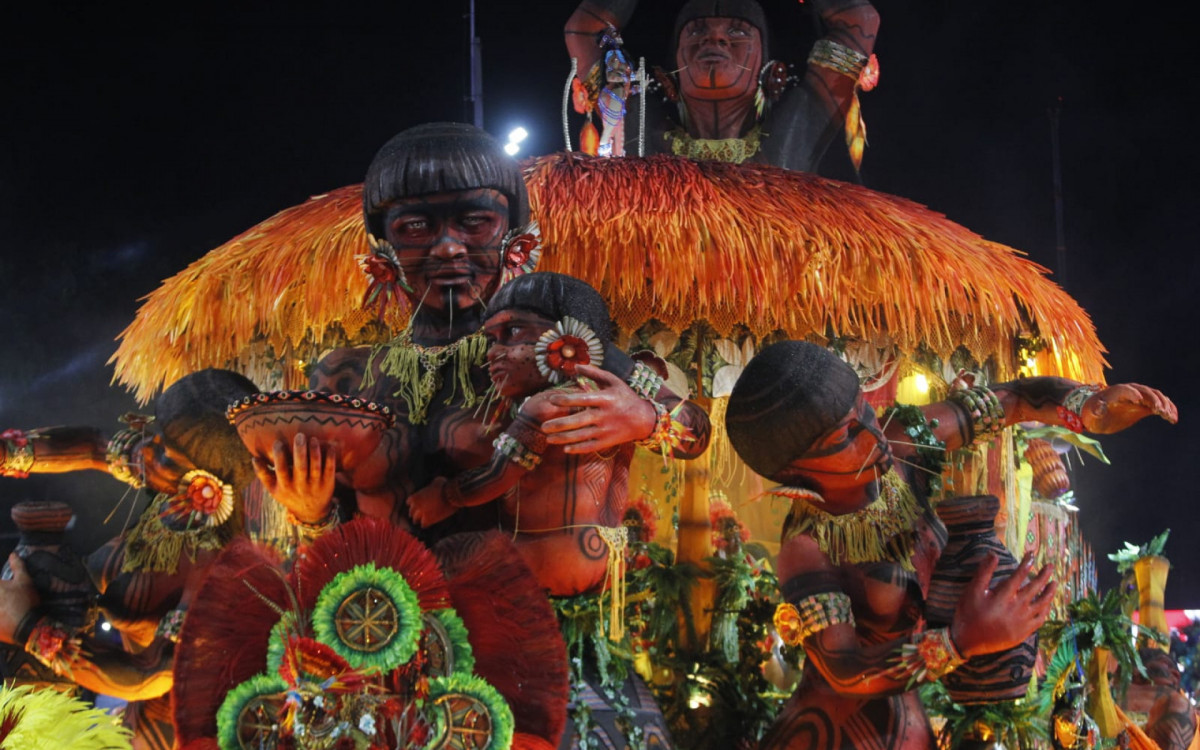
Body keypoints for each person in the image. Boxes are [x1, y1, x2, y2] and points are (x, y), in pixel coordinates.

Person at [259, 123, 711, 540]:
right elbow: (336, 534)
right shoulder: (346, 377)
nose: (449, 246)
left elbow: (695, 434)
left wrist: (646, 419)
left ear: (516, 240)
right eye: (415, 226)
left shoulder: (556, 353)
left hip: (527, 619)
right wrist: (311, 512)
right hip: (386, 617)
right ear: (384, 252)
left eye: (474, 221)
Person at [724, 340, 1177, 750]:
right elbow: (843, 668)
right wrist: (960, 641)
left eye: (863, 409)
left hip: (910, 727)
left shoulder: (904, 442)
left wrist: (1088, 406)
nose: (873, 434)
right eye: (844, 437)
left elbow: (1012, 400)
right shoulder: (807, 544)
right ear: (794, 474)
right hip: (828, 735)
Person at [0, 369, 273, 750]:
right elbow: (94, 445)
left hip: (166, 739)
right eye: (155, 431)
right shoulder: (169, 491)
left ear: (202, 484)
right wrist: (7, 453)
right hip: (119, 716)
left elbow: (152, 674)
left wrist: (29, 628)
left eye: (164, 451)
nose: (144, 448)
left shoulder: (214, 570)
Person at [406, 272, 701, 597]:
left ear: (566, 338)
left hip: (546, 557)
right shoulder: (619, 390)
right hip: (601, 557)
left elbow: (498, 476)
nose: (493, 352)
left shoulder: (545, 405)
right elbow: (690, 429)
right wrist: (648, 416)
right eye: (492, 339)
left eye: (512, 332)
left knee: (431, 560)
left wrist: (447, 495)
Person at [565, 0, 879, 171]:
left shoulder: (794, 133)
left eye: (739, 31)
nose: (714, 38)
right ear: (670, 73)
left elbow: (859, 19)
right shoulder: (637, 129)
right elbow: (584, 30)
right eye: (696, 30)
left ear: (770, 72)